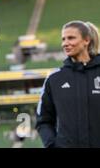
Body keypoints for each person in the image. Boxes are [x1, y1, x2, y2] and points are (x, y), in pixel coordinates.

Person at [36, 20, 100, 148]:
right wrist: (51, 145)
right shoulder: (54, 79)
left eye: (71, 38)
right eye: (63, 39)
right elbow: (43, 121)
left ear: (86, 40)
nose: (65, 43)